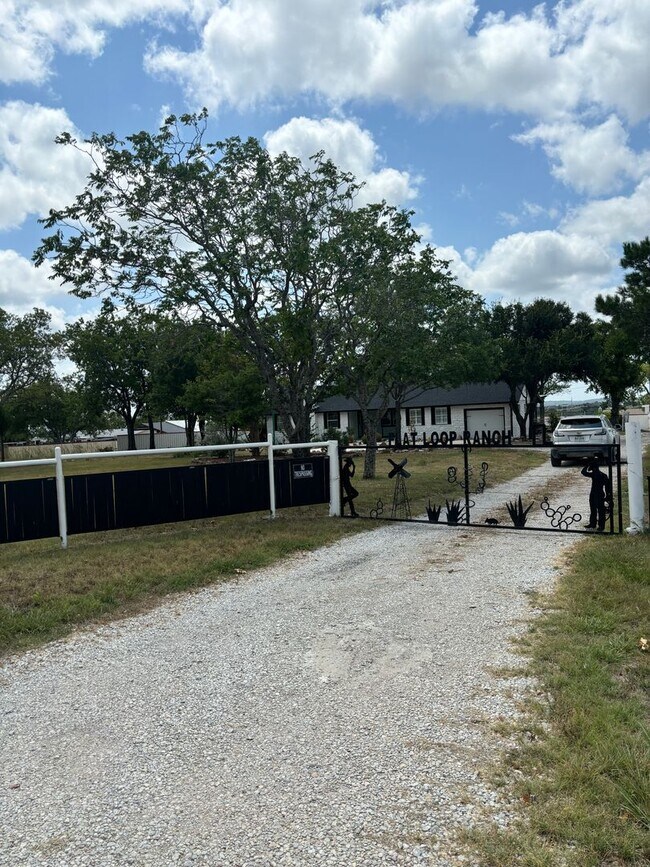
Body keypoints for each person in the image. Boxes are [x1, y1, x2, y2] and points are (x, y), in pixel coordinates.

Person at [581, 457, 611, 531]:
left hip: (596, 494)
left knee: (597, 510)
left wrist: (587, 465)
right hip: (598, 494)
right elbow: (607, 487)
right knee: (597, 510)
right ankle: (597, 525)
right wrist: (607, 495)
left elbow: (583, 472)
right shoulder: (603, 475)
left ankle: (596, 525)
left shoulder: (595, 474)